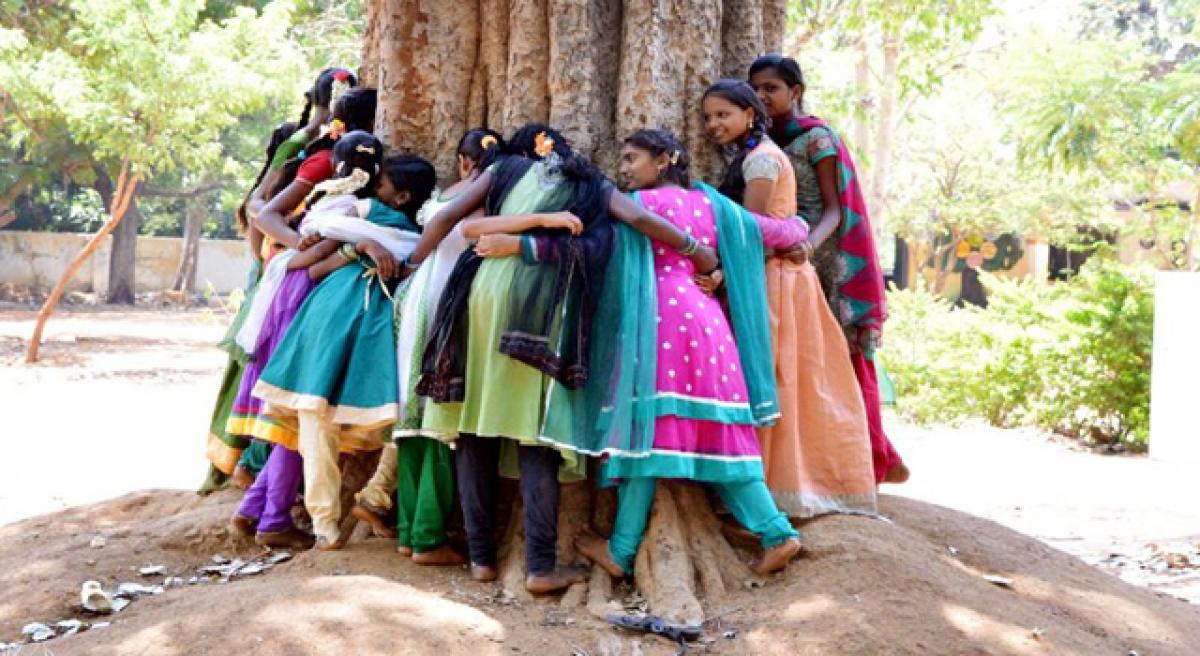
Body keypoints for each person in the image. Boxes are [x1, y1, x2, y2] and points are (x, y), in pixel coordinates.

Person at [409, 124, 719, 594]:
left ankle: (480, 559)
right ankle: (539, 565)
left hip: (475, 296)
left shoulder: (502, 171)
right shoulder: (593, 184)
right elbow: (638, 221)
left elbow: (446, 218)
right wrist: (698, 254)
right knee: (535, 434)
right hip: (536, 308)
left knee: (472, 427)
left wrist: (413, 266)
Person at [499, 129, 804, 577]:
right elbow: (772, 231)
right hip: (708, 326)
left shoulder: (636, 208)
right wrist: (800, 229)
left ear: (663, 160)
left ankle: (621, 551)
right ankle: (777, 532)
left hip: (654, 322)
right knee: (722, 434)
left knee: (640, 440)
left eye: (632, 158)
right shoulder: (712, 204)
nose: (624, 168)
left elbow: (593, 250)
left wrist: (525, 246)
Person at [700, 80, 878, 518]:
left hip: (773, 279)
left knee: (777, 376)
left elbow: (751, 234)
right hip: (781, 277)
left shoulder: (761, 161)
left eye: (723, 114)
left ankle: (775, 495)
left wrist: (722, 274)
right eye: (708, 117)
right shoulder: (756, 156)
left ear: (750, 113)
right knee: (794, 380)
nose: (713, 124)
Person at [749, 54, 909, 485]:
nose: (763, 96)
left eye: (772, 88)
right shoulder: (763, 142)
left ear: (795, 92)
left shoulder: (815, 138)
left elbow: (836, 208)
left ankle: (873, 458)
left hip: (823, 258)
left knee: (845, 359)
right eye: (757, 88)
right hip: (785, 254)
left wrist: (809, 245)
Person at [200, 120, 298, 494]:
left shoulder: (271, 195)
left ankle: (246, 465)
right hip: (273, 288)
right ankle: (249, 464)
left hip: (267, 284)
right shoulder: (284, 195)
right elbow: (258, 219)